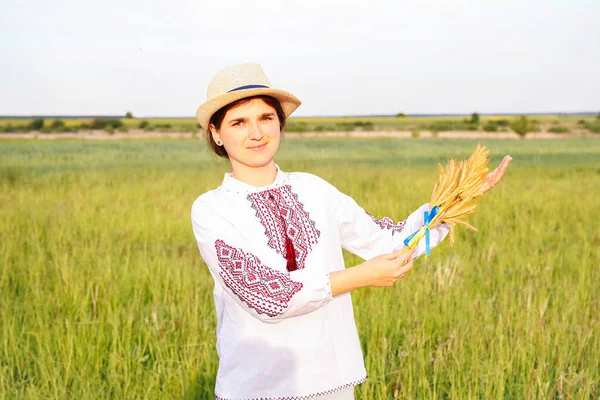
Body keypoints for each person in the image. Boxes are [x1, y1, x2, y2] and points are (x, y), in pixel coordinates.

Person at [191, 63, 511, 400]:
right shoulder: (212, 209)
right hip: (255, 388)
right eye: (238, 122)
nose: (256, 133)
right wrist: (360, 276)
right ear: (215, 132)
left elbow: (387, 241)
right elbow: (268, 296)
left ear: (280, 124)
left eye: (266, 118)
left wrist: (455, 200)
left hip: (332, 382)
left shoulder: (314, 189)